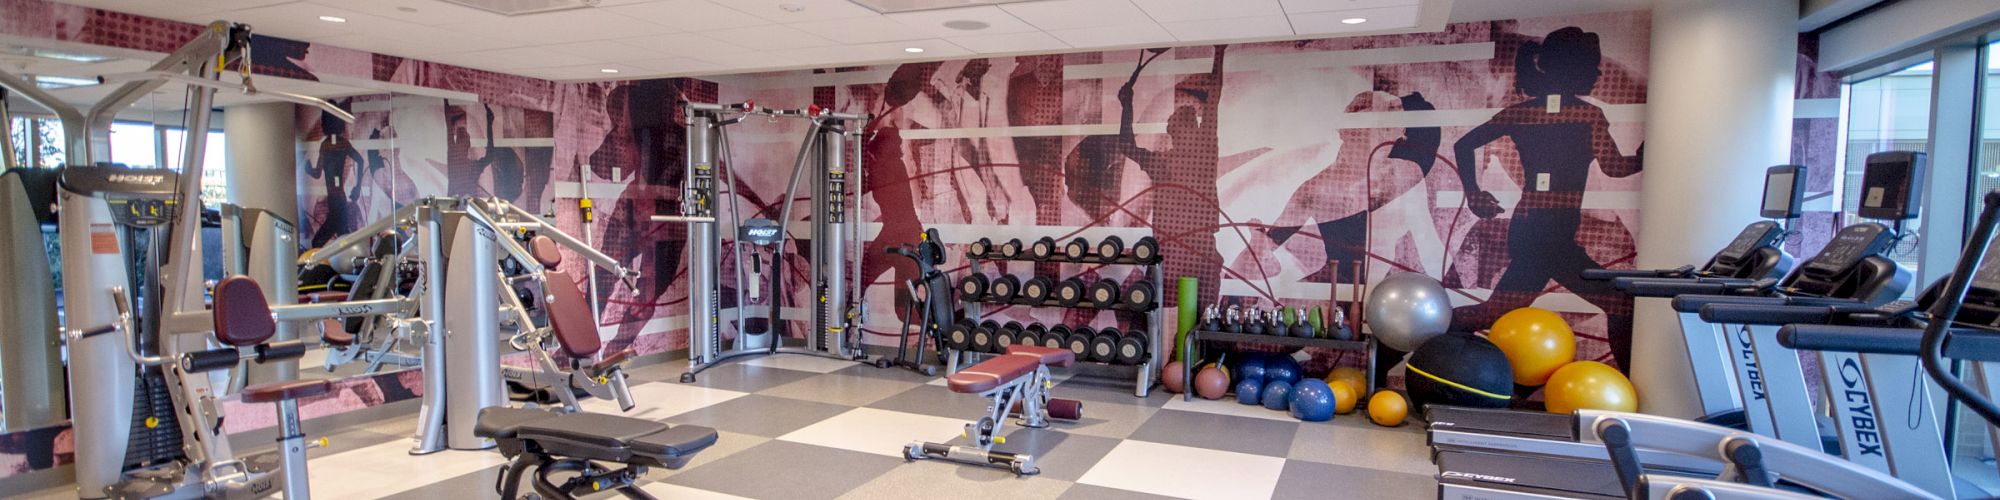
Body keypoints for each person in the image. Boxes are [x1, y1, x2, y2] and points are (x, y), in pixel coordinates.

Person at [1449, 27, 1642, 370]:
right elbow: (1615, 167)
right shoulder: (1587, 116)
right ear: (1578, 69)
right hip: (1546, 233)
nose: (1598, 74)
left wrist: (1475, 194)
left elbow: (1464, 145)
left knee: (1493, 313)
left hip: (1535, 228)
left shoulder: (1527, 113)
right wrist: (1644, 157)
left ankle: (1428, 335)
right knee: (1619, 304)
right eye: (1593, 66)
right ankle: (1627, 383)